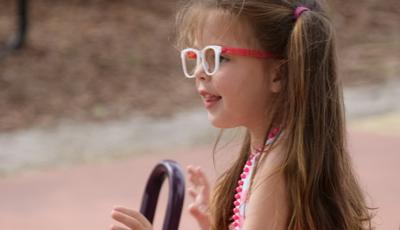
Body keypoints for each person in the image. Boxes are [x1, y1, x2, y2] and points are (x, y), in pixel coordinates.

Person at [110, 0, 375, 229]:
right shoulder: (273, 154)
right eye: (196, 56)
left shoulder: (276, 170)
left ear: (278, 74)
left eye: (218, 57)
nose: (201, 71)